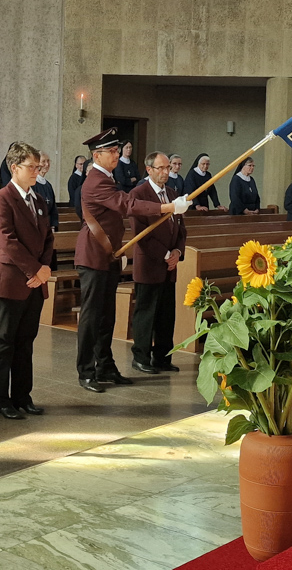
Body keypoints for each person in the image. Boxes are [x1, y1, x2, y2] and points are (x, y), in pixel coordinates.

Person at [75, 128, 190, 393]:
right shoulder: (95, 180)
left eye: (117, 150)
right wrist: (167, 207)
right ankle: (86, 371)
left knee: (106, 316)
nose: (117, 155)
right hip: (93, 256)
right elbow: (127, 204)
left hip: (107, 255)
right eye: (112, 151)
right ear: (97, 154)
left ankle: (105, 366)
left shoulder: (106, 176)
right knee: (92, 318)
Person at [0, 142, 54, 420]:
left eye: (38, 167)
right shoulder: (1, 198)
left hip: (35, 281)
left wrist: (45, 268)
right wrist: (34, 270)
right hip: (11, 281)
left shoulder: (37, 199)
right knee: (4, 342)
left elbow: (47, 236)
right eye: (32, 166)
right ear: (15, 168)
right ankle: (2, 401)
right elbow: (7, 241)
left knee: (26, 342)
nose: (37, 171)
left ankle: (22, 396)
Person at [128, 152, 186, 375]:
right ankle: (141, 357)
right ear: (149, 169)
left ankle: (162, 356)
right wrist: (164, 254)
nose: (166, 172)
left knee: (165, 313)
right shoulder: (138, 194)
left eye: (168, 168)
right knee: (146, 312)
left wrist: (177, 252)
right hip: (150, 263)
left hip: (169, 265)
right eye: (161, 168)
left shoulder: (172, 194)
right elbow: (140, 234)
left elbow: (180, 228)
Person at [32, 151, 59, 232]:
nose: (47, 164)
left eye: (48, 161)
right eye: (43, 161)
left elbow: (53, 208)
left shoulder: (48, 185)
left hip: (49, 227)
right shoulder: (32, 184)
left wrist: (53, 226)